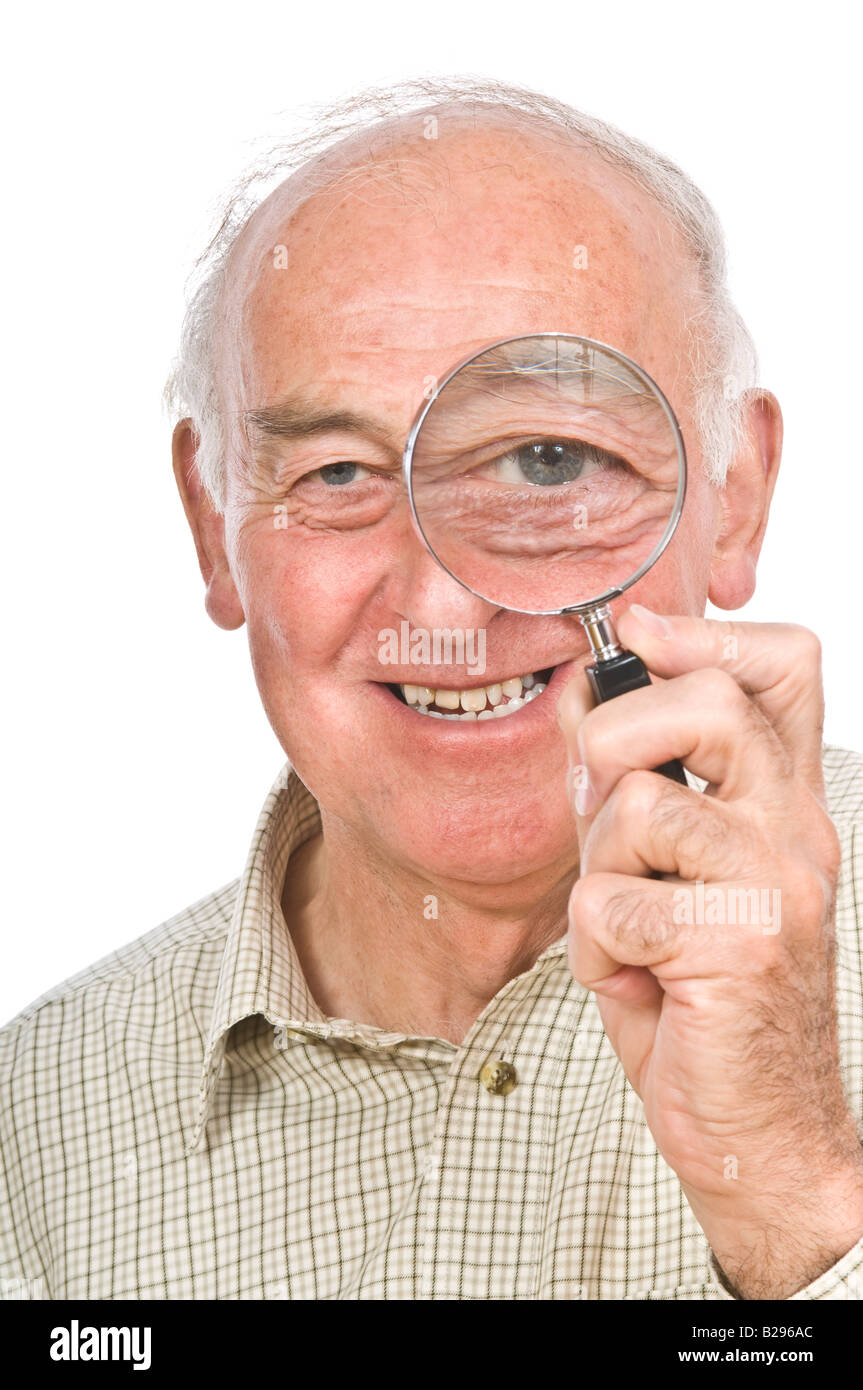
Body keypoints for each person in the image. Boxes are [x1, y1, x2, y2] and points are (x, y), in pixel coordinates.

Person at [2, 77, 862, 1302]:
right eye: (341, 471)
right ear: (212, 526)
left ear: (734, 491)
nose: (447, 603)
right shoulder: (34, 1132)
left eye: (547, 458)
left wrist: (790, 1189)